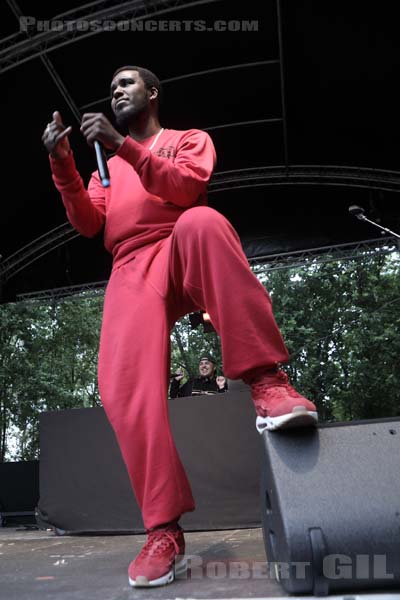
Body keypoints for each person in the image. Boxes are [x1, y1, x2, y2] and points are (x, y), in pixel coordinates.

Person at [42, 65, 318, 589]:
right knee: (121, 387)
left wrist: (123, 145)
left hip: (179, 243)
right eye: (112, 85)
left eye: (127, 82)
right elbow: (89, 222)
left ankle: (267, 383)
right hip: (129, 266)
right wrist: (63, 166)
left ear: (153, 92)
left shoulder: (187, 140)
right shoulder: (107, 171)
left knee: (206, 222)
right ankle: (163, 529)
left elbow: (188, 187)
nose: (116, 89)